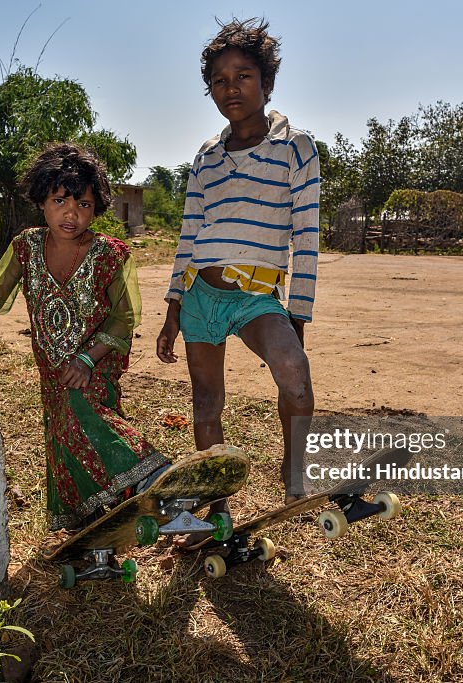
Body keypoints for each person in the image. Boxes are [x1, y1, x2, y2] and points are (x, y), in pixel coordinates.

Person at [0, 143, 169, 532]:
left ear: (97, 208)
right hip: (52, 371)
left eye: (85, 205)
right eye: (60, 201)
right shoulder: (26, 247)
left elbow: (124, 319)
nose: (71, 214)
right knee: (64, 433)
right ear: (42, 201)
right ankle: (89, 522)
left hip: (96, 365)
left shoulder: (111, 255)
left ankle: (154, 478)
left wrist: (88, 359)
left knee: (84, 414)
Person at [156, 17, 320, 527]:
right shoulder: (205, 158)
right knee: (206, 403)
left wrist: (297, 316)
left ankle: (295, 480)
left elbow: (307, 239)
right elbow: (189, 235)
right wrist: (172, 308)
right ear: (209, 91)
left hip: (256, 296)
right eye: (220, 80)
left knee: (294, 375)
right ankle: (217, 507)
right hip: (200, 295)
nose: (232, 87)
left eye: (244, 76)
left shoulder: (296, 148)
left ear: (267, 83)